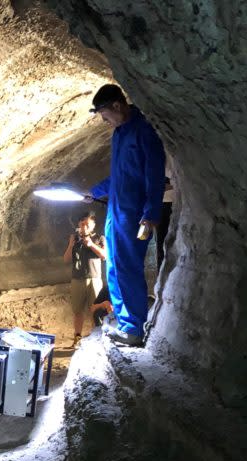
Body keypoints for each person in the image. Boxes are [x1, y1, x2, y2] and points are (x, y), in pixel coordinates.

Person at [87, 84, 166, 347]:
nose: (104, 121)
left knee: (128, 268)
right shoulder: (119, 134)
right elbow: (118, 176)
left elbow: (154, 175)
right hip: (115, 212)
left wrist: (151, 213)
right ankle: (123, 322)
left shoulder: (144, 132)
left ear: (118, 106)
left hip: (133, 214)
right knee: (114, 268)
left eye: (105, 114)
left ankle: (133, 329)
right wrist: (93, 191)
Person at [63, 210, 106, 348]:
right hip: (77, 280)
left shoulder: (100, 238)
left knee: (96, 310)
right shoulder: (74, 240)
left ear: (93, 225)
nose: (84, 227)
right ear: (78, 225)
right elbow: (66, 259)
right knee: (77, 311)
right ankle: (77, 338)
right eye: (82, 224)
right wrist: (71, 244)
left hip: (94, 280)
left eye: (87, 224)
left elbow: (105, 256)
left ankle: (97, 340)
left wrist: (91, 245)